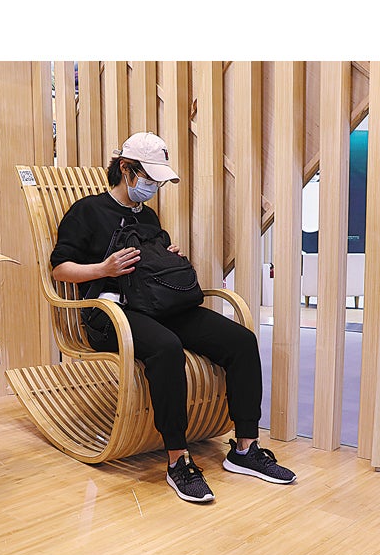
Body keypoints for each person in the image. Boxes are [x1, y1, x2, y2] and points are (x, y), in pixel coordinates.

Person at [50, 132, 296, 503]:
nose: (151, 187)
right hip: (111, 314)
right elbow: (59, 270)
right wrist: (104, 268)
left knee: (241, 341)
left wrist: (165, 255)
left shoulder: (147, 216)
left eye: (156, 181)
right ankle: (178, 461)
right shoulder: (87, 212)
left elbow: (152, 265)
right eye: (147, 178)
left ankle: (245, 449)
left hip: (158, 306)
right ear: (125, 169)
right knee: (167, 348)